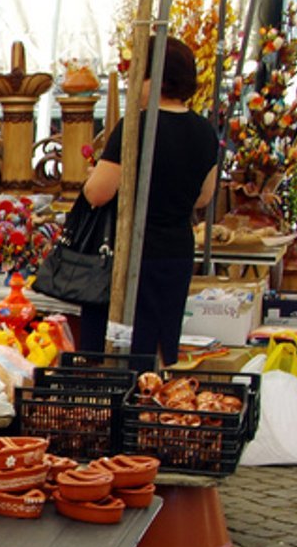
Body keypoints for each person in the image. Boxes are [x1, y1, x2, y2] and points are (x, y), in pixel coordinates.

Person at [73, 36, 219, 365]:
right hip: (176, 251)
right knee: (158, 346)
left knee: (119, 347)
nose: (130, 81)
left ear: (156, 78)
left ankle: (115, 410)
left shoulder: (135, 127)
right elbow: (204, 196)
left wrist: (90, 176)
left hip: (129, 254)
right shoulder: (204, 131)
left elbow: (98, 192)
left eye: (136, 72)